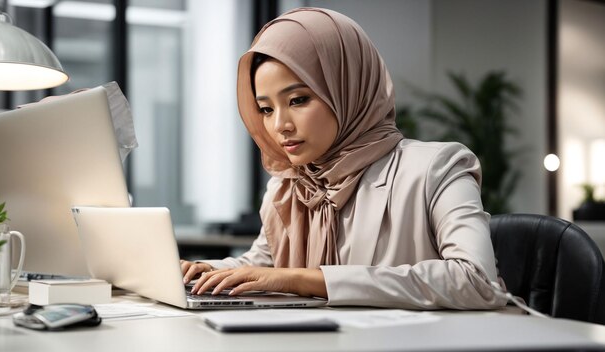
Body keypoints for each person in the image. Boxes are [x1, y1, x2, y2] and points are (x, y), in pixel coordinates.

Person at [180, 7, 507, 310]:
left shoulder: (437, 167)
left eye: (298, 100)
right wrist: (204, 270)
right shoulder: (289, 187)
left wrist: (307, 280)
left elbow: (476, 280)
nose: (280, 125)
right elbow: (263, 264)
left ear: (347, 88)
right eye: (266, 109)